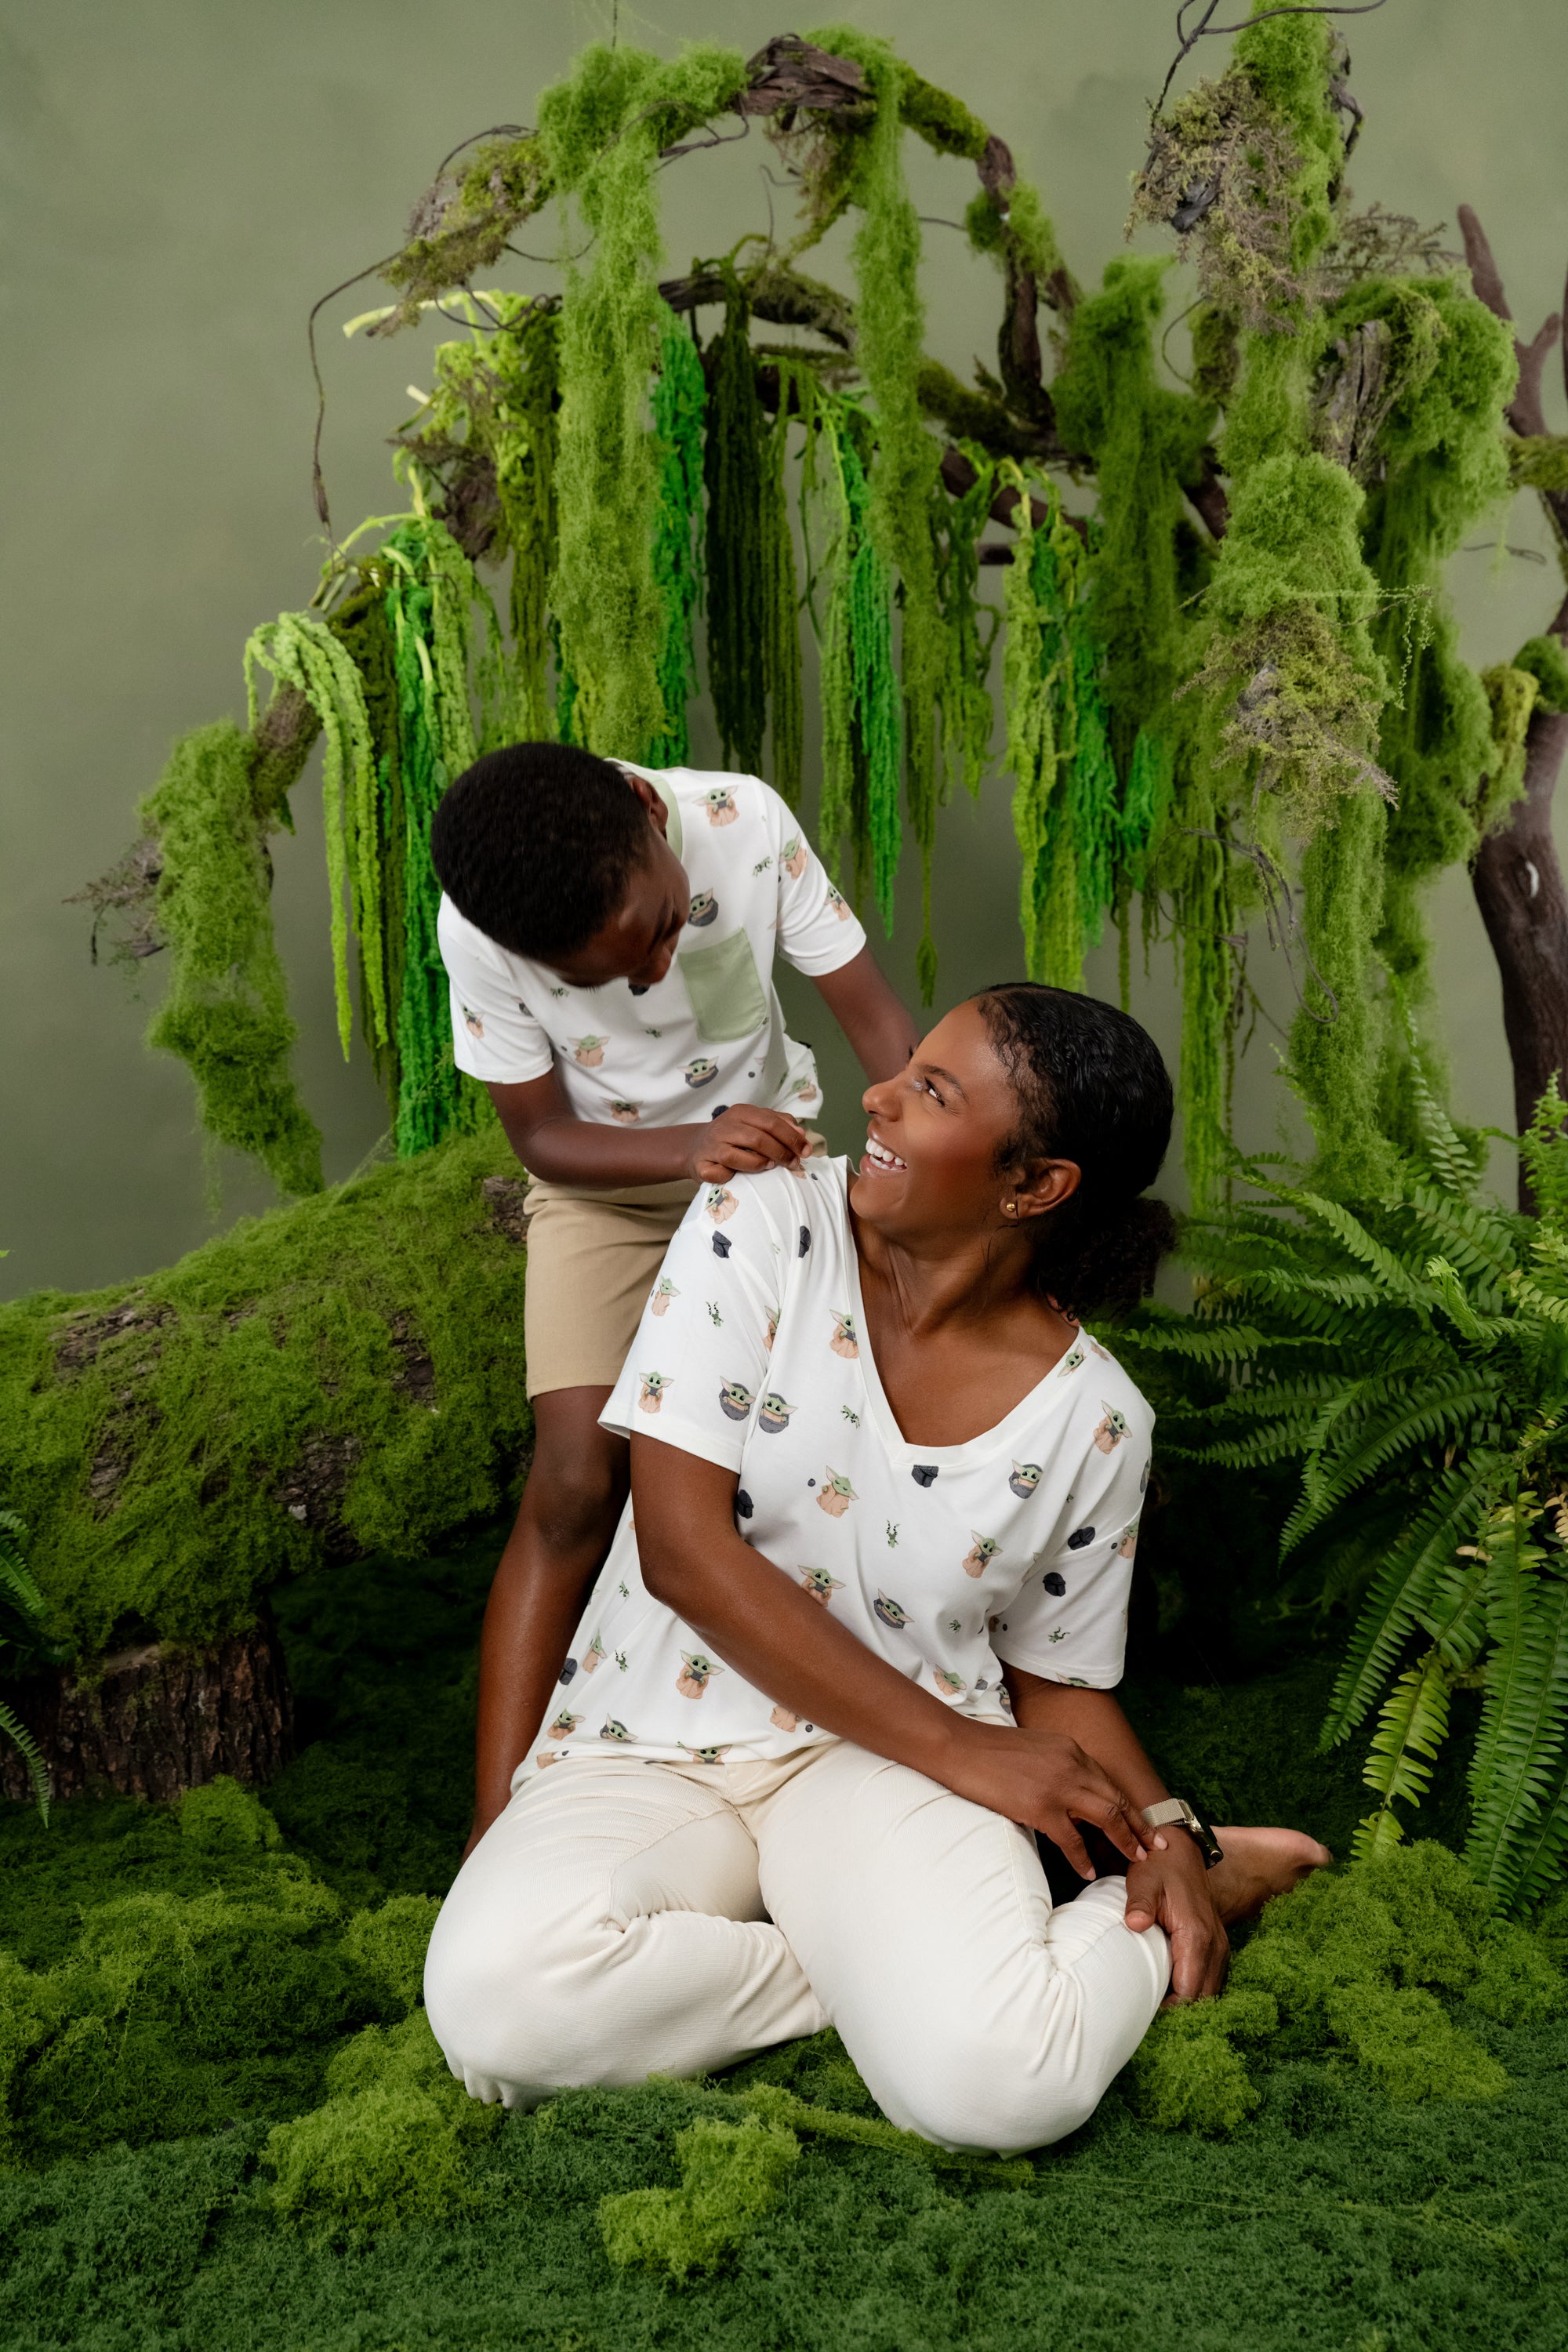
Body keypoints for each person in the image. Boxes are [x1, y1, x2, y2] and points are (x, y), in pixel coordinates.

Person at [424, 983, 1330, 2154]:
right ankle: (881, 1973)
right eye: (908, 1071)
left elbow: (1058, 1678)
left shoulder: (1095, 1419)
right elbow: (683, 1550)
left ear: (1034, 1185)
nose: (879, 1098)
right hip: (652, 1741)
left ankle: (1121, 1921)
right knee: (500, 2009)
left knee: (1002, 2089)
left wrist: (1167, 1842)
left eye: (932, 1091)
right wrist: (967, 1756)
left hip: (885, 1768)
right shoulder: (760, 1224)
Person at [432, 742, 920, 1856]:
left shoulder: (742, 822)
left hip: (770, 1170)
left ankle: (835, 1753)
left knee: (805, 1465)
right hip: (606, 1191)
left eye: (663, 929)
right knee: (573, 1473)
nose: (652, 973)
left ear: (652, 815)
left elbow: (881, 1030)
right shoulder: (483, 927)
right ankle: (495, 1820)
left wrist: (925, 1177)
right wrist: (682, 1143)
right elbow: (544, 1139)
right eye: (605, 976)